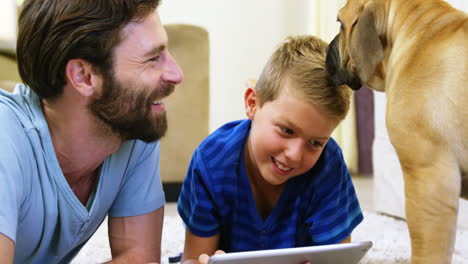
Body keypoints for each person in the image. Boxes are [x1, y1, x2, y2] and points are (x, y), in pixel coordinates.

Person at [0, 0, 183, 263]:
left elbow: (138, 258)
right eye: (153, 58)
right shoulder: (5, 139)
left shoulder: (131, 126)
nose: (177, 74)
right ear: (84, 76)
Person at [177, 35, 363, 264]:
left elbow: (338, 259)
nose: (295, 155)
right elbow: (194, 258)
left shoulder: (328, 163)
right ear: (252, 104)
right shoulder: (211, 161)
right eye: (286, 130)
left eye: (315, 143)